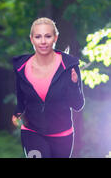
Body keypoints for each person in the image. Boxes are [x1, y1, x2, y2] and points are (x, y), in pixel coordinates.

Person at [11, 17, 85, 158]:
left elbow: (77, 105)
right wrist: (17, 113)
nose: (43, 41)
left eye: (48, 36)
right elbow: (21, 98)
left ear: (55, 38)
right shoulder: (21, 67)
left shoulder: (69, 66)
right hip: (32, 132)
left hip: (62, 135)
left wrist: (74, 85)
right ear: (32, 39)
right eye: (38, 37)